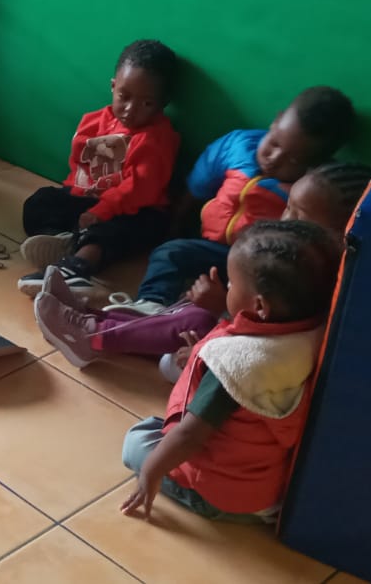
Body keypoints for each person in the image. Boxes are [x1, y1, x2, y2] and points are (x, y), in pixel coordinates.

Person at [35, 161, 371, 371]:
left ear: (341, 234)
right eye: (289, 207)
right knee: (188, 308)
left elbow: (268, 340)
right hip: (233, 332)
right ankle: (95, 317)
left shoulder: (321, 282)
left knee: (194, 318)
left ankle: (93, 336)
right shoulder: (304, 259)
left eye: (299, 215)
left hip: (240, 358)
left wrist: (221, 312)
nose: (285, 220)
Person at [117, 220, 341, 525]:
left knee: (138, 440)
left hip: (218, 494)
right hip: (261, 482)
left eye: (232, 284)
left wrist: (149, 475)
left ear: (260, 306)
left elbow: (189, 436)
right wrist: (201, 356)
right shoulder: (311, 334)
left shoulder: (236, 366)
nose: (227, 288)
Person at [106, 86, 356, 314]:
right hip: (212, 248)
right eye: (274, 143)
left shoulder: (306, 192)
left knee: (251, 296)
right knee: (169, 252)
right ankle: (151, 304)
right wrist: (175, 226)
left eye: (293, 160)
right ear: (277, 120)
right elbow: (196, 187)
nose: (274, 159)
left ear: (314, 162)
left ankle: (219, 313)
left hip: (253, 267)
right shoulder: (239, 146)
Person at [16, 40, 182, 295]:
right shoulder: (95, 121)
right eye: (124, 97)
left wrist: (101, 211)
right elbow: (79, 170)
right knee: (40, 201)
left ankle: (77, 267)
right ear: (113, 86)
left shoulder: (157, 138)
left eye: (146, 103)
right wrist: (79, 195)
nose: (130, 110)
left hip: (136, 211)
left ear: (163, 103)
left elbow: (139, 188)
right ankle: (64, 242)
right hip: (93, 200)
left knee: (114, 231)